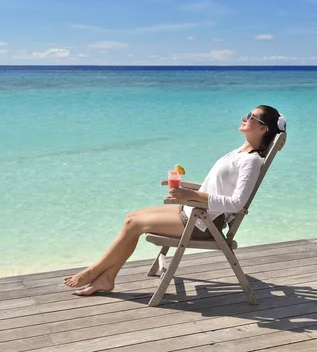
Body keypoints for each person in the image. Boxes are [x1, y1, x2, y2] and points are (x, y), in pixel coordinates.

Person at [64, 105, 286, 296]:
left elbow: (237, 203)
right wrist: (188, 191)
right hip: (195, 211)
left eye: (250, 116)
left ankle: (93, 272)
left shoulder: (252, 161)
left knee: (135, 224)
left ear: (262, 128)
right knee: (131, 217)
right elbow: (215, 187)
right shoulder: (240, 151)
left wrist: (192, 196)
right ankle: (107, 278)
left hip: (205, 223)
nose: (244, 118)